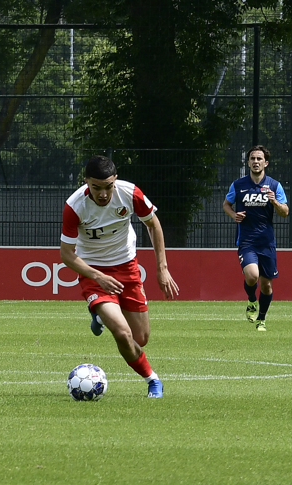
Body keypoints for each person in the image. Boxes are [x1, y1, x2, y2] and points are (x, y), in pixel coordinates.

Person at [60, 155, 179, 399]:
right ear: (86, 182)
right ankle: (152, 380)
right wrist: (97, 276)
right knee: (123, 334)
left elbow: (153, 225)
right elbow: (67, 255)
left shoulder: (130, 193)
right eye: (96, 187)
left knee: (140, 338)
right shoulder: (74, 206)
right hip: (93, 271)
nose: (103, 194)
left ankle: (100, 317)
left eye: (108, 187)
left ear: (115, 181)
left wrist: (162, 267)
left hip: (126, 266)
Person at [222, 145, 289, 332]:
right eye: (253, 158)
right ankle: (252, 300)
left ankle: (261, 319)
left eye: (259, 159)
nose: (256, 162)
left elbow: (285, 212)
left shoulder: (274, 186)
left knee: (266, 285)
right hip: (247, 241)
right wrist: (233, 215)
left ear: (265, 163)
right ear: (249, 162)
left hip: (267, 242)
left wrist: (274, 201)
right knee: (252, 276)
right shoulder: (238, 185)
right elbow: (226, 204)